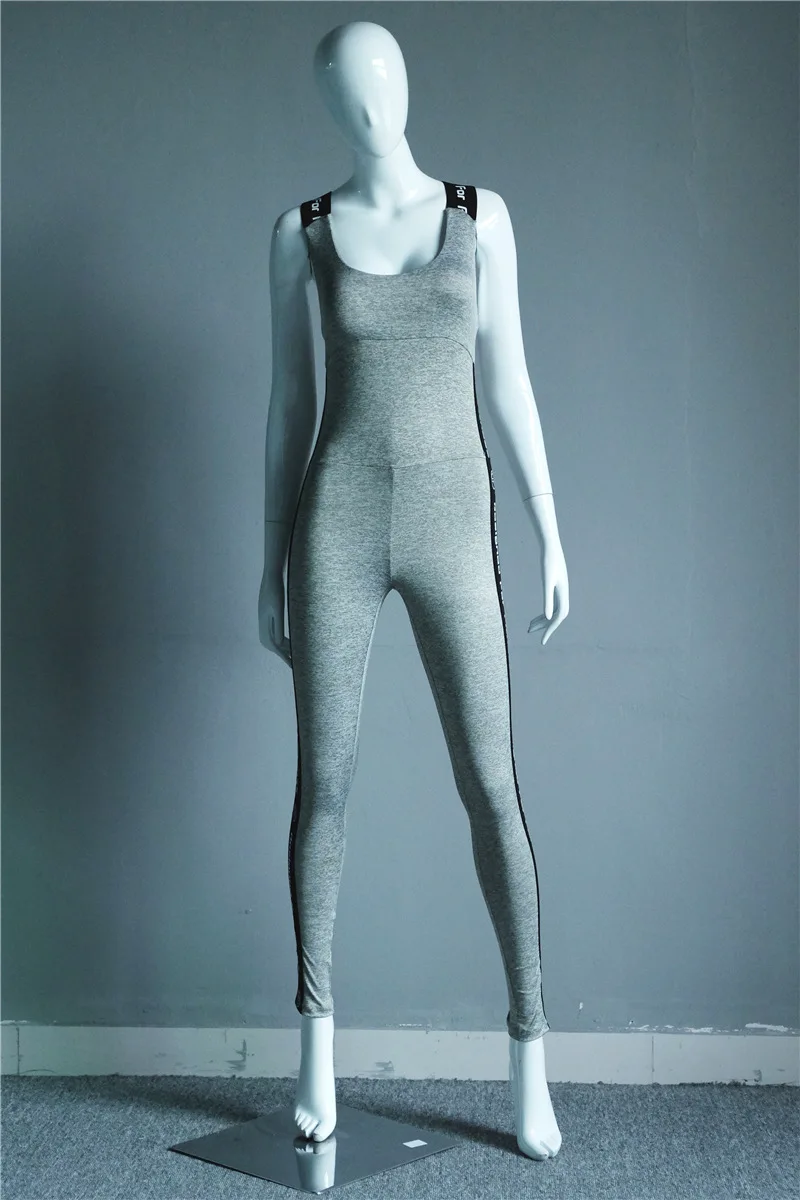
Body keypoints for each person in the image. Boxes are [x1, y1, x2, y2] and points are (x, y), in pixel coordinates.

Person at [258, 20, 569, 1160]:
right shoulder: (299, 232)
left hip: (452, 523)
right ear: (327, 103)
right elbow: (290, 406)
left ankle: (529, 1059)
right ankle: (314, 1050)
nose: (369, 103)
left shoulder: (480, 219)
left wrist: (549, 528)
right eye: (346, 88)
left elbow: (510, 381)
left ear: (404, 83)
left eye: (380, 78)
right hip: (336, 520)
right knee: (325, 783)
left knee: (490, 784)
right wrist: (268, 561)